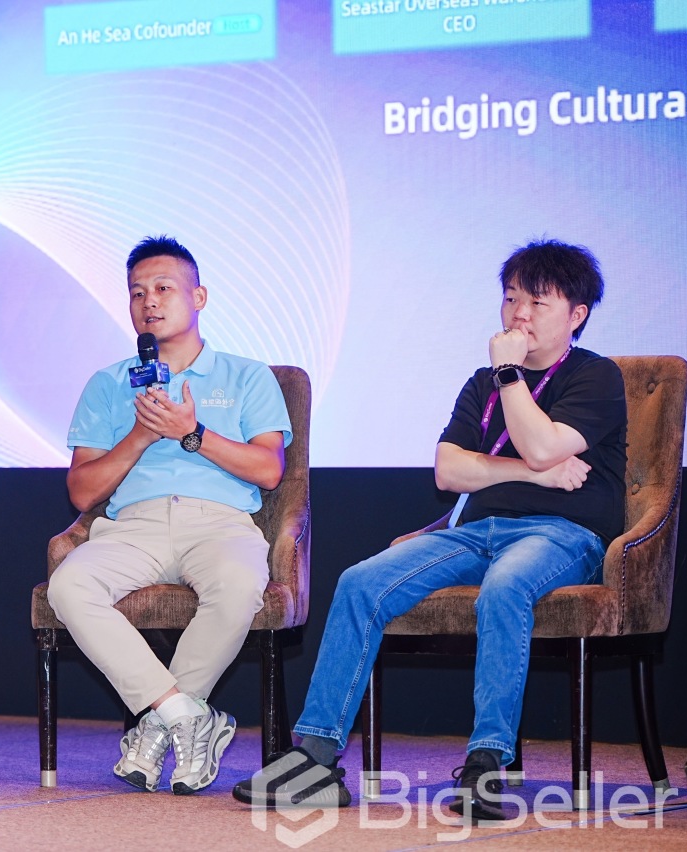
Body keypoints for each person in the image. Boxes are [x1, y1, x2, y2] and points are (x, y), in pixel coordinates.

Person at [233, 239, 626, 821]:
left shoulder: (595, 376)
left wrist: (510, 378)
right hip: (474, 530)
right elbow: (448, 471)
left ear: (577, 315)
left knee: (506, 587)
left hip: (562, 533)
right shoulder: (481, 383)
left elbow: (544, 443)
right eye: (511, 299)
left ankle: (485, 765)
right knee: (360, 582)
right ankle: (315, 759)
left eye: (537, 303)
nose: (518, 314)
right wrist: (533, 474)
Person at [47, 235, 293, 794]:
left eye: (163, 288)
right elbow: (82, 491)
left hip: (220, 522)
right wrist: (140, 434)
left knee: (238, 586)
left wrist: (191, 432)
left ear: (198, 297)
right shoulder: (108, 383)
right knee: (69, 586)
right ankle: (185, 715)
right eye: (137, 292)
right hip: (134, 525)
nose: (149, 301)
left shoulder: (248, 376)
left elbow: (269, 470)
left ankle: (156, 728)